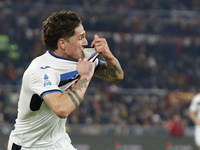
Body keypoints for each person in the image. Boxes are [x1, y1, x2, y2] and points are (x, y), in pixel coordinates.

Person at [7, 10, 124, 150]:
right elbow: (62, 109)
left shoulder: (83, 56)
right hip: (30, 145)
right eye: (81, 38)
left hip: (59, 141)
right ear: (62, 43)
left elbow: (115, 76)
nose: (86, 42)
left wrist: (109, 56)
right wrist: (85, 76)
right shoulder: (41, 70)